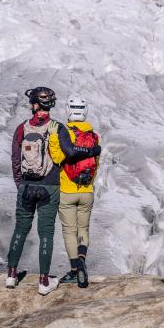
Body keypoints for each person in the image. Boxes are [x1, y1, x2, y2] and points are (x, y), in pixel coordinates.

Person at [7, 86, 100, 294]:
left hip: (27, 186)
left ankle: (11, 275)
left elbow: (15, 158)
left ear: (34, 105)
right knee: (46, 233)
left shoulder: (22, 128)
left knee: (20, 230)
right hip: (51, 187)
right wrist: (93, 150)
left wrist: (20, 184)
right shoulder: (58, 127)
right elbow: (69, 154)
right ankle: (43, 281)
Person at [53, 95, 101, 288]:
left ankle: (74, 270)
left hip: (67, 191)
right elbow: (96, 165)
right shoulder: (94, 136)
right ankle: (82, 257)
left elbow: (57, 159)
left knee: (69, 231)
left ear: (68, 111)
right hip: (87, 191)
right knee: (83, 230)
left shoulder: (64, 135)